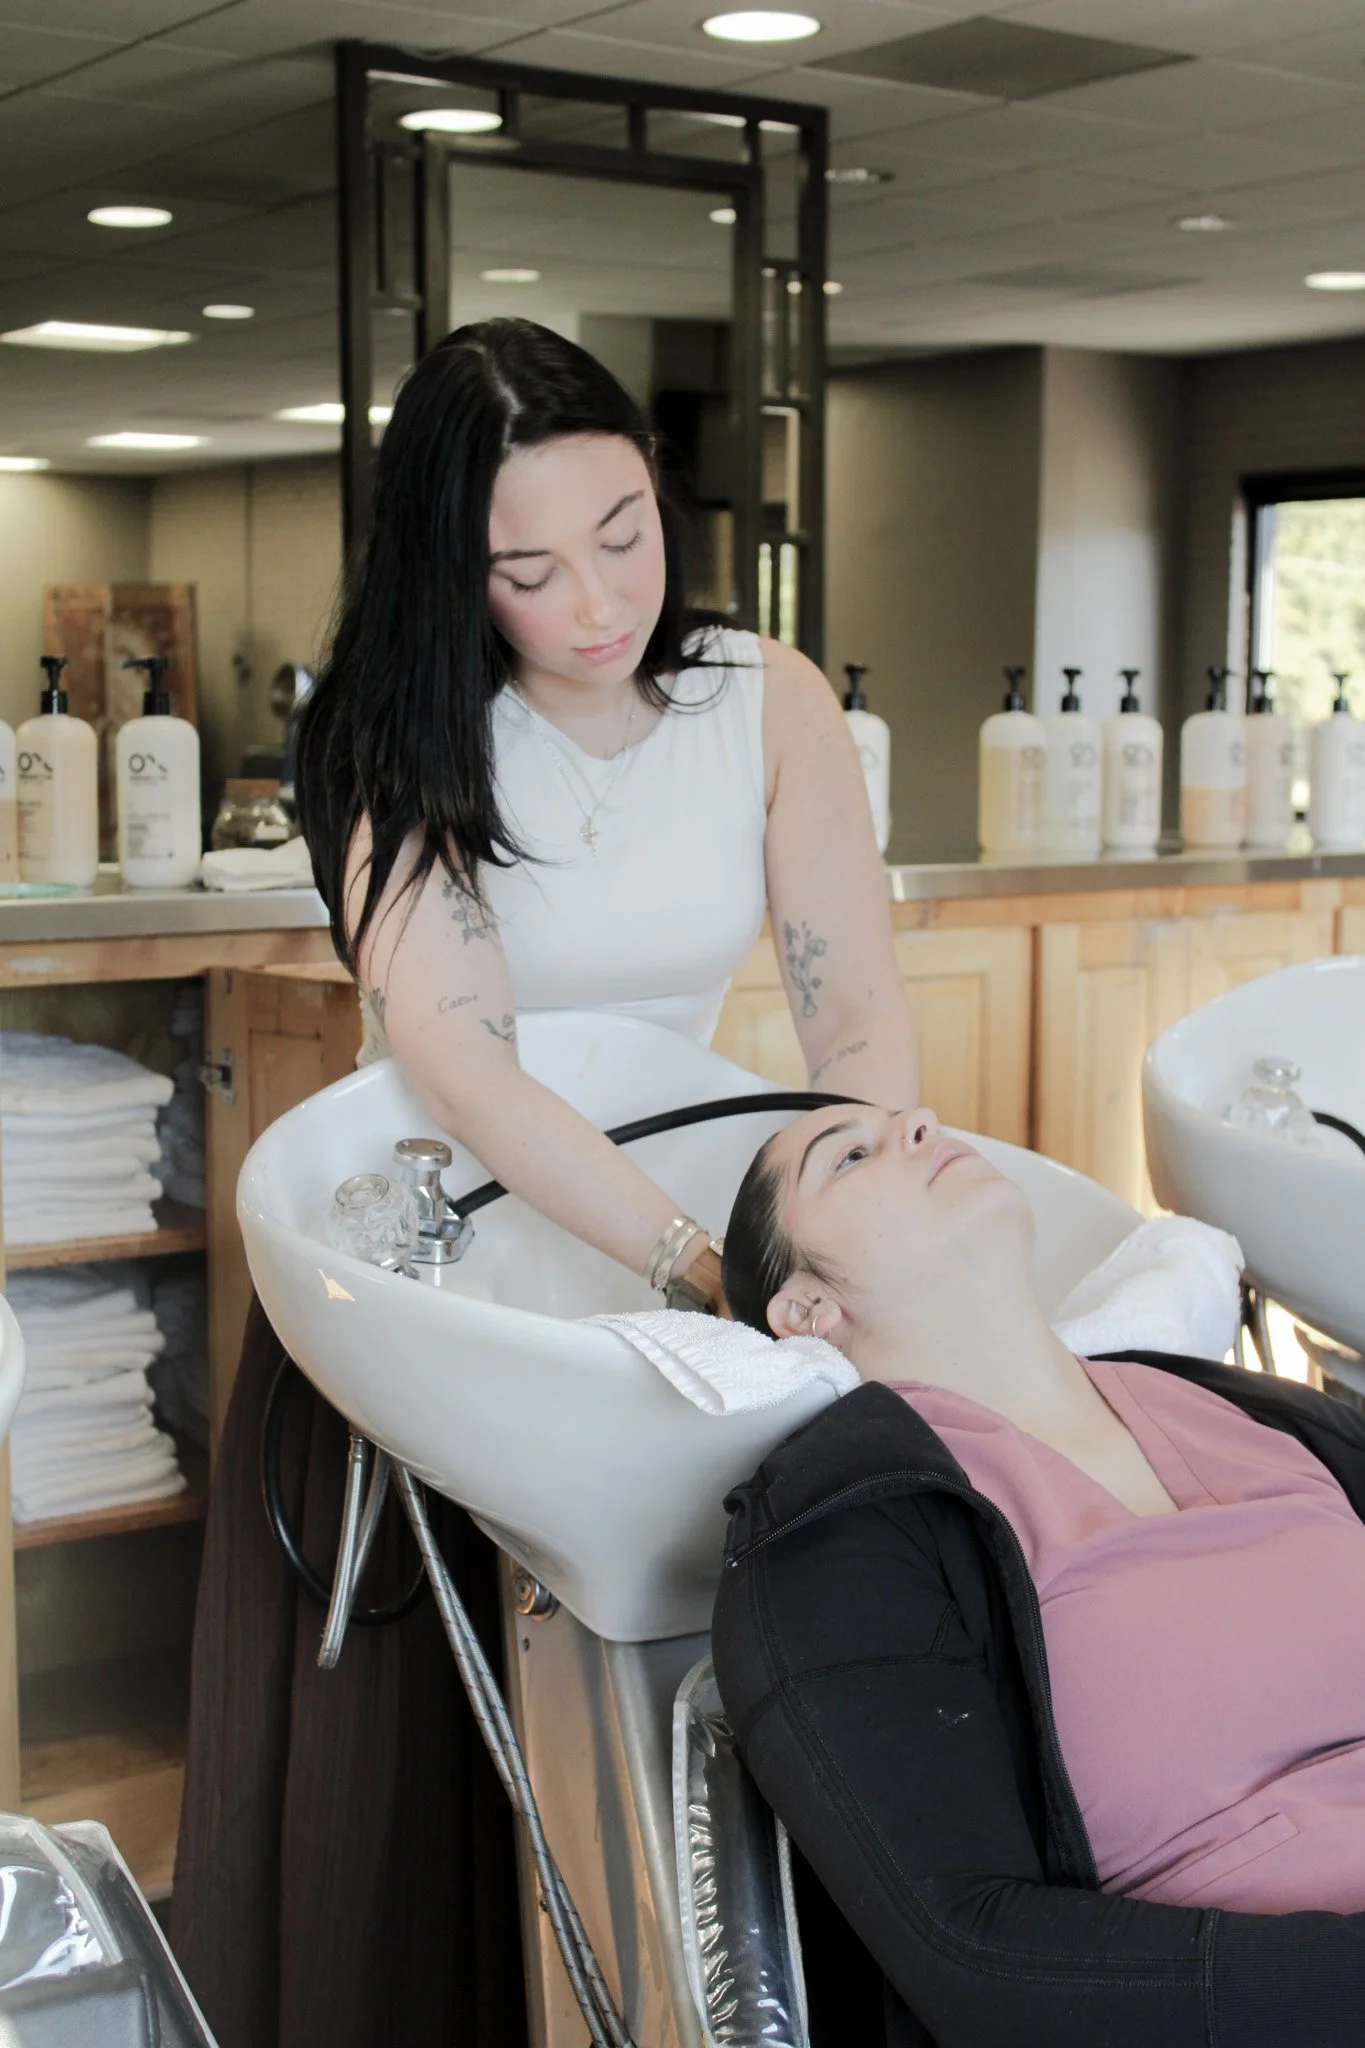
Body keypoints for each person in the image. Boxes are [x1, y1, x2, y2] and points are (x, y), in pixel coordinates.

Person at [173, 318, 918, 2048]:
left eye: (627, 534)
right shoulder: (396, 727)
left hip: (715, 1242)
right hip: (449, 1277)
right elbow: (468, 1056)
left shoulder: (764, 693)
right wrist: (686, 1262)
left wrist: (853, 1211)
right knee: (433, 1824)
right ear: (454, 565)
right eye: (529, 566)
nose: (597, 600)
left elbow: (853, 1000)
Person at [713, 1100, 1365, 2047]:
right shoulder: (843, 1533)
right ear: (807, 1309)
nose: (923, 1125)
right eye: (850, 1156)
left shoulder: (1263, 1415)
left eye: (912, 1121)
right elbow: (979, 1957)